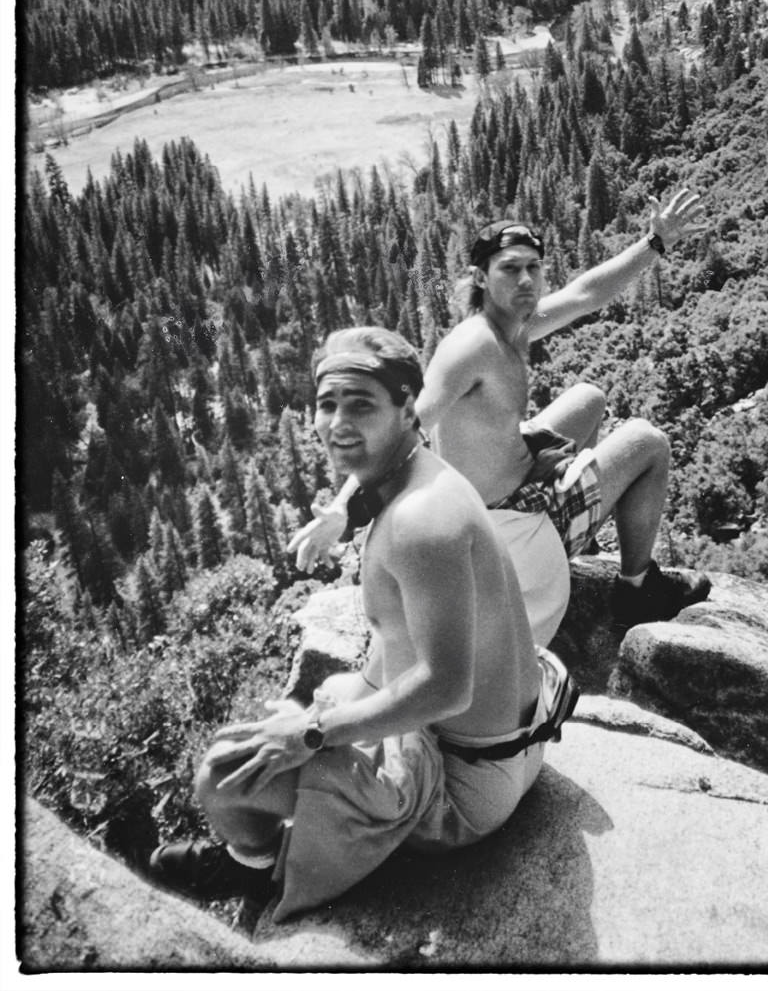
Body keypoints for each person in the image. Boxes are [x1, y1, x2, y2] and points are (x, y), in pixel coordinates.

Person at [150, 327, 577, 920]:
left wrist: (311, 737)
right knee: (318, 707)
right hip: (500, 744)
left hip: (468, 786)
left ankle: (256, 867)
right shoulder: (416, 476)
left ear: (409, 410)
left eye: (361, 404)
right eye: (327, 404)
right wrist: (337, 513)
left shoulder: (424, 521)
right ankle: (283, 845)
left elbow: (446, 687)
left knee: (227, 775)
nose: (337, 423)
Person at [292, 190, 711, 645]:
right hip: (509, 528)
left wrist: (654, 242)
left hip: (513, 485)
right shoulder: (472, 347)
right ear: (481, 277)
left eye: (533, 267)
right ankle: (636, 590)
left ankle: (580, 542)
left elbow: (586, 293)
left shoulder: (511, 324)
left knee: (588, 398)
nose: (525, 279)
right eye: (510, 268)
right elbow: (403, 430)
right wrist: (342, 509)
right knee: (647, 441)